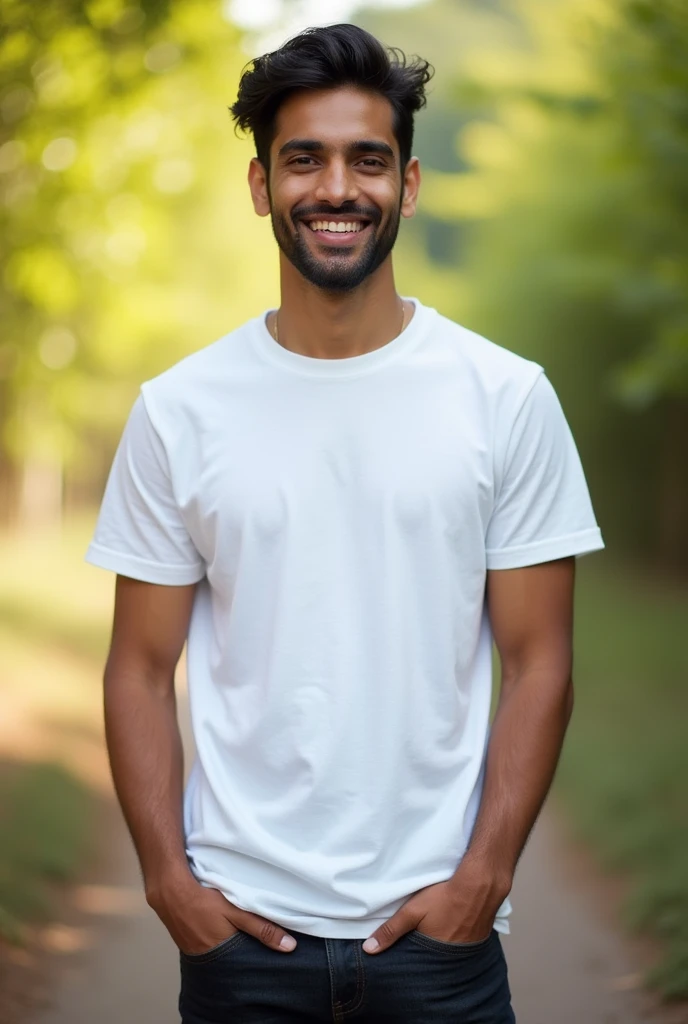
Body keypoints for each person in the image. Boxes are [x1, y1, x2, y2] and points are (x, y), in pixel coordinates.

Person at [85, 23, 604, 1024]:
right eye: (304, 159)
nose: (337, 188)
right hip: (240, 939)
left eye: (367, 160)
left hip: (439, 945)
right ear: (258, 184)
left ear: (407, 184)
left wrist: (484, 878)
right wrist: (167, 882)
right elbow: (138, 669)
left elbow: (540, 659)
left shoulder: (505, 397)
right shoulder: (179, 410)